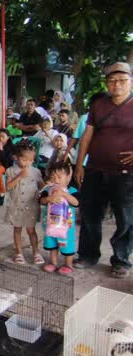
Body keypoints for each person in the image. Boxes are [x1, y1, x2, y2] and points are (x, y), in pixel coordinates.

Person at [74, 62, 133, 278]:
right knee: (90, 214)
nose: (117, 84)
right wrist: (79, 164)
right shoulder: (98, 105)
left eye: (122, 80)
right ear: (107, 83)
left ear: (130, 82)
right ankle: (88, 255)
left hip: (126, 174)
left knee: (125, 218)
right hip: (95, 169)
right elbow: (87, 135)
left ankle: (121, 260)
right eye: (112, 80)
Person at [4, 139, 45, 265]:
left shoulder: (36, 172)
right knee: (17, 229)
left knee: (31, 230)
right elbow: (9, 187)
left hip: (31, 206)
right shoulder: (10, 171)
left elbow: (42, 186)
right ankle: (19, 252)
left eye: (31, 160)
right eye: (24, 160)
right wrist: (19, 176)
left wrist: (45, 189)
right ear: (16, 157)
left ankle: (36, 251)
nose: (27, 163)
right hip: (16, 205)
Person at [40, 161, 80, 275]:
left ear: (67, 177)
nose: (56, 180)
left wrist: (64, 194)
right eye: (53, 176)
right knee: (52, 242)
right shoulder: (48, 190)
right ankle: (53, 262)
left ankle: (68, 264)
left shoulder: (71, 190)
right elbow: (41, 201)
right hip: (51, 224)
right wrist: (49, 199)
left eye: (59, 177)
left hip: (67, 226)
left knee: (66, 243)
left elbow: (76, 202)